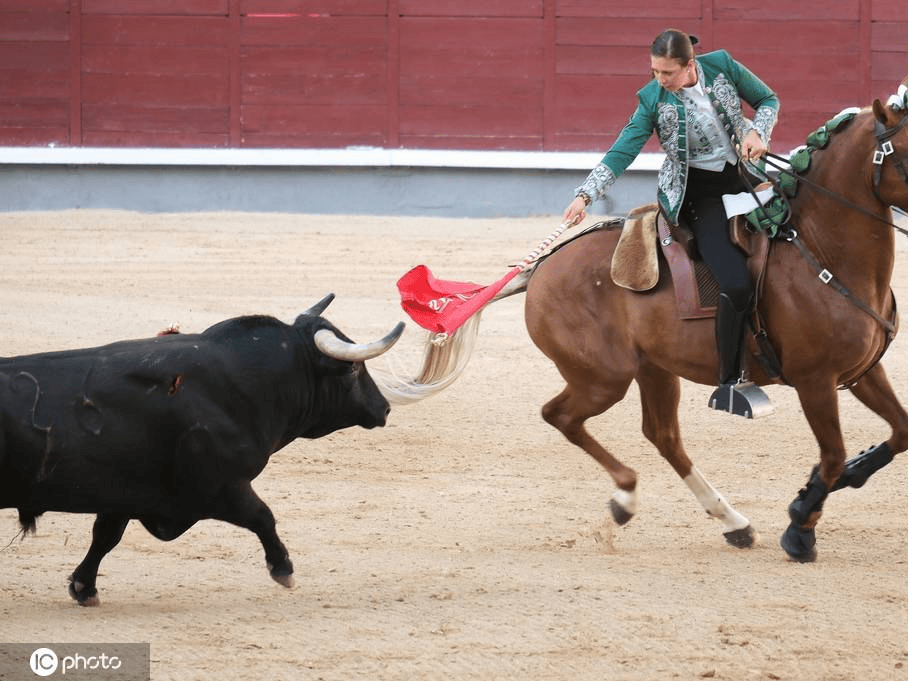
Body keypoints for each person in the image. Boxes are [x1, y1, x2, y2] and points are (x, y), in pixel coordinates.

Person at [562, 28, 780, 418]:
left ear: (689, 65)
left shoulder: (722, 65)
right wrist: (585, 195)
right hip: (699, 195)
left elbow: (767, 98)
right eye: (654, 71)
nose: (658, 79)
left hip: (748, 175)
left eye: (666, 73)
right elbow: (622, 150)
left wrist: (755, 131)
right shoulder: (651, 99)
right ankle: (730, 381)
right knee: (733, 280)